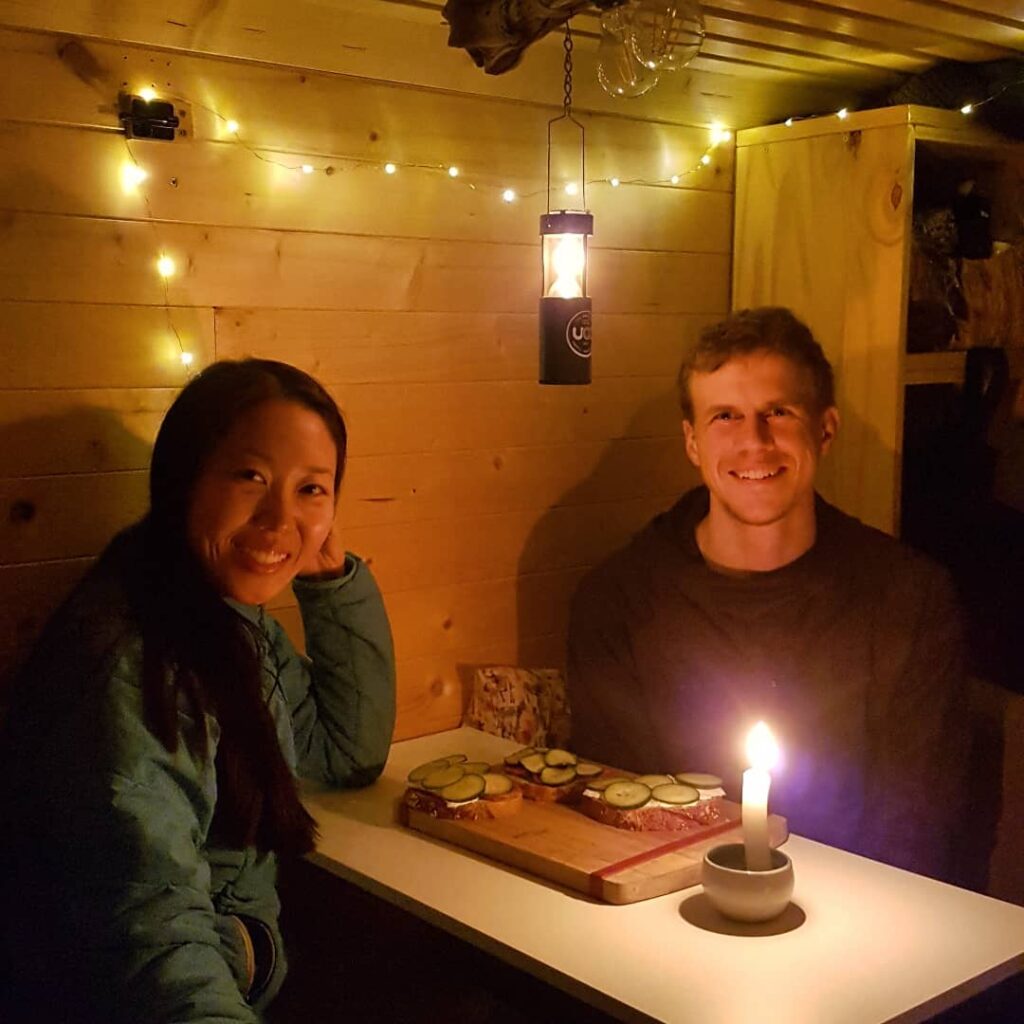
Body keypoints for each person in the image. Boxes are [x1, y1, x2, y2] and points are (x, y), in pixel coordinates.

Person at [0, 359, 396, 1022]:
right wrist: (250, 952)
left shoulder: (230, 626)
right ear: (184, 479)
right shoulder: (136, 660)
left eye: (312, 490)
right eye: (251, 477)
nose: (278, 517)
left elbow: (343, 753)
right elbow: (148, 937)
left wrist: (330, 583)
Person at [567, 307, 969, 882]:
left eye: (777, 413)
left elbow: (915, 825)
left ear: (825, 429)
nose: (753, 442)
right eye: (725, 416)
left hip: (860, 917)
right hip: (669, 913)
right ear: (692, 442)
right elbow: (619, 813)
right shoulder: (619, 600)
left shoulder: (908, 599)